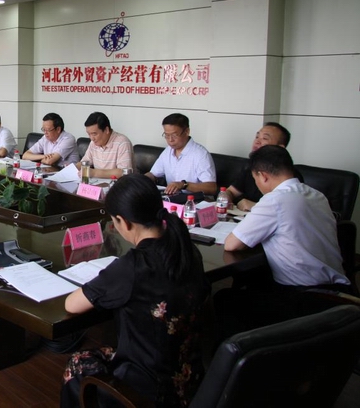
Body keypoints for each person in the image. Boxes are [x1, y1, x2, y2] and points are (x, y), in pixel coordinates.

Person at [61, 174, 209, 407]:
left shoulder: (133, 265)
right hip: (190, 380)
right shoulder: (188, 250)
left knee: (78, 363)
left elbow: (72, 304)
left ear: (123, 221)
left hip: (148, 390)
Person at [216, 145, 350, 338]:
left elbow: (231, 244)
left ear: (263, 176)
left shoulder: (274, 200)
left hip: (306, 297)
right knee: (255, 279)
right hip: (338, 292)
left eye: (255, 179)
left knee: (225, 298)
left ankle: (245, 351)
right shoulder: (316, 195)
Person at [226, 122, 294, 211]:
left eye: (265, 138)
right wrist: (225, 197)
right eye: (257, 137)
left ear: (280, 148)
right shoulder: (250, 168)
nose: (257, 141)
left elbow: (287, 210)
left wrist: (255, 206)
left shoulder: (288, 175)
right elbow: (230, 191)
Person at [146, 113, 217, 196]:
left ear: (187, 132)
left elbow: (211, 188)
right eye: (167, 135)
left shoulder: (200, 154)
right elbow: (153, 174)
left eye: (174, 135)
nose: (170, 140)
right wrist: (142, 179)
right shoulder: (168, 151)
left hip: (195, 201)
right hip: (173, 198)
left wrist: (184, 185)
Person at [76, 112, 133, 178]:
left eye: (94, 134)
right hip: (98, 183)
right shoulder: (93, 143)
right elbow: (85, 162)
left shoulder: (122, 143)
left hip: (118, 183)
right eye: (89, 134)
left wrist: (94, 173)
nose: (92, 138)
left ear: (106, 130)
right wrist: (73, 167)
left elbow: (124, 172)